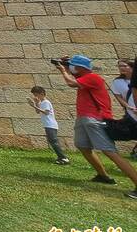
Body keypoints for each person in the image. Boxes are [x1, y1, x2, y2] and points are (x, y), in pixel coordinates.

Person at [56, 54, 137, 199]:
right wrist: (66, 67)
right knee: (82, 146)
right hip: (84, 118)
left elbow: (71, 83)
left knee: (109, 152)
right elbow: (75, 78)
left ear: (80, 67)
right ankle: (103, 176)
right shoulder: (84, 77)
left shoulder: (93, 77)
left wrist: (63, 71)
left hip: (95, 118)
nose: (71, 68)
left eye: (73, 65)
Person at [28, 86, 70, 165]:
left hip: (51, 124)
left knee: (53, 141)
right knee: (52, 141)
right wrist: (36, 104)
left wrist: (34, 106)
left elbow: (46, 112)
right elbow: (38, 112)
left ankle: (64, 158)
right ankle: (61, 157)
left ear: (42, 94)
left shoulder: (46, 102)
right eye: (34, 95)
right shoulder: (41, 102)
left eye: (36, 95)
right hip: (48, 125)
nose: (35, 97)